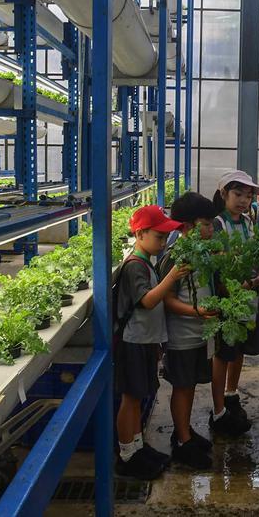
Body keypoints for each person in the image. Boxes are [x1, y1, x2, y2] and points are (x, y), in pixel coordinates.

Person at [114, 205, 187, 480]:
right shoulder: (134, 266)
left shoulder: (147, 262)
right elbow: (148, 301)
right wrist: (172, 277)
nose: (164, 242)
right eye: (159, 236)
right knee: (130, 398)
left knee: (138, 395)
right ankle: (127, 455)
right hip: (133, 341)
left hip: (144, 340)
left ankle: (137, 447)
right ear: (141, 234)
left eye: (166, 236)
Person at [158, 192, 219, 469]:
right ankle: (182, 442)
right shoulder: (176, 257)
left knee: (190, 384)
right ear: (188, 228)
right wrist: (197, 312)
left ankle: (184, 431)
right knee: (182, 387)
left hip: (199, 333)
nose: (211, 229)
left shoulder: (203, 253)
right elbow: (167, 300)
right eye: (206, 224)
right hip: (181, 336)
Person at [207, 170, 259, 436]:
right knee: (223, 352)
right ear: (224, 195)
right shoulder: (217, 224)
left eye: (248, 195)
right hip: (227, 296)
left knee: (239, 346)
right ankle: (218, 408)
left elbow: (255, 253)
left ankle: (232, 393)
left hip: (249, 294)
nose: (243, 200)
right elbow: (218, 266)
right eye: (237, 194)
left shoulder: (248, 221)